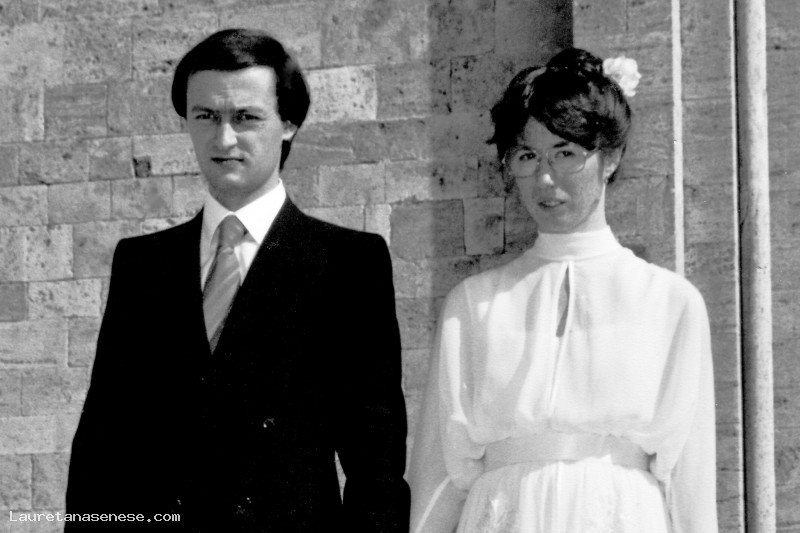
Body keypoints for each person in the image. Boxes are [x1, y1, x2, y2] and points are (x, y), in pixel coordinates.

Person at [65, 28, 410, 532]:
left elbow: (376, 467)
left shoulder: (346, 263)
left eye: (245, 117)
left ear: (288, 123)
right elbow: (103, 445)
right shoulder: (143, 264)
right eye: (205, 116)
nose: (223, 139)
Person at [408, 48, 718, 533]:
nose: (545, 178)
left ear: (610, 158)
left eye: (566, 153)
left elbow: (690, 482)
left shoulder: (670, 303)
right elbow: (439, 476)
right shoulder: (473, 304)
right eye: (527, 156)